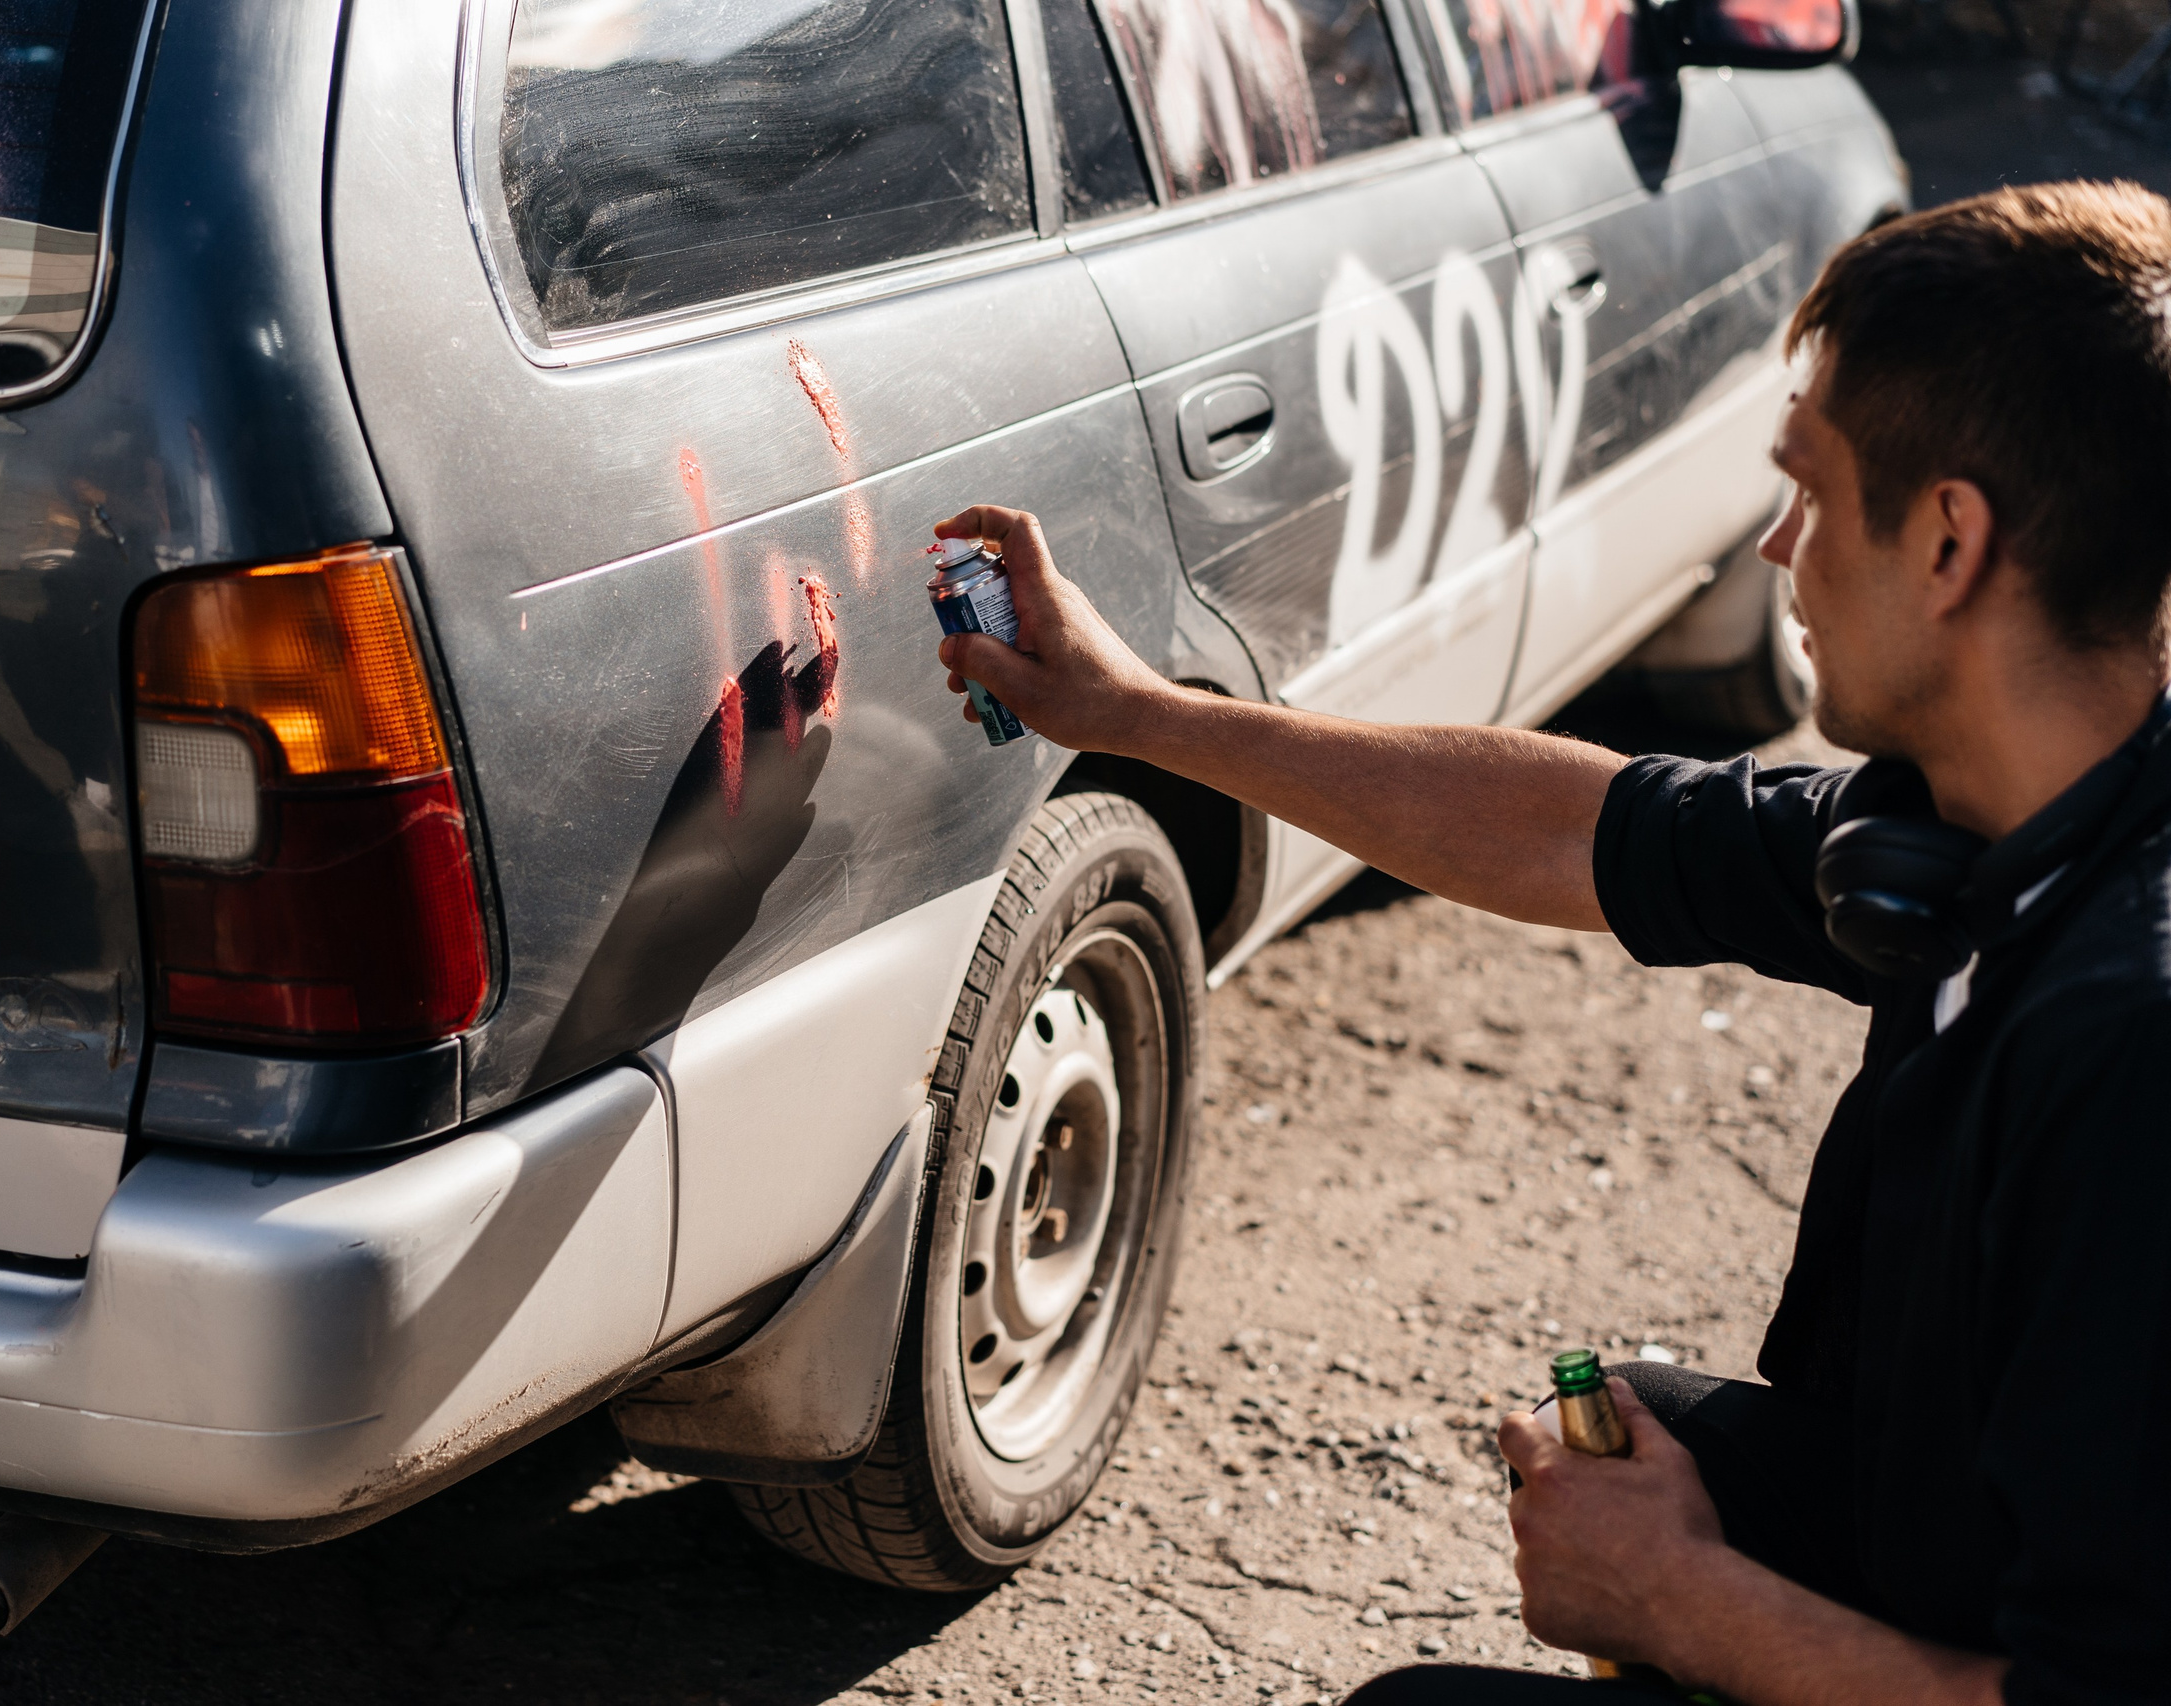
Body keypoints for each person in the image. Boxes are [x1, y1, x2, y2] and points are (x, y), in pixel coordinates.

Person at [929, 181, 2171, 1705]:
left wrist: (1684, 1598)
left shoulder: (2128, 1049)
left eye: (1809, 488)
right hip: (1944, 1521)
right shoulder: (1989, 816)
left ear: (1949, 541)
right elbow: (1572, 828)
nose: (1776, 543)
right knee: (1647, 1427)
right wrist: (1137, 714)